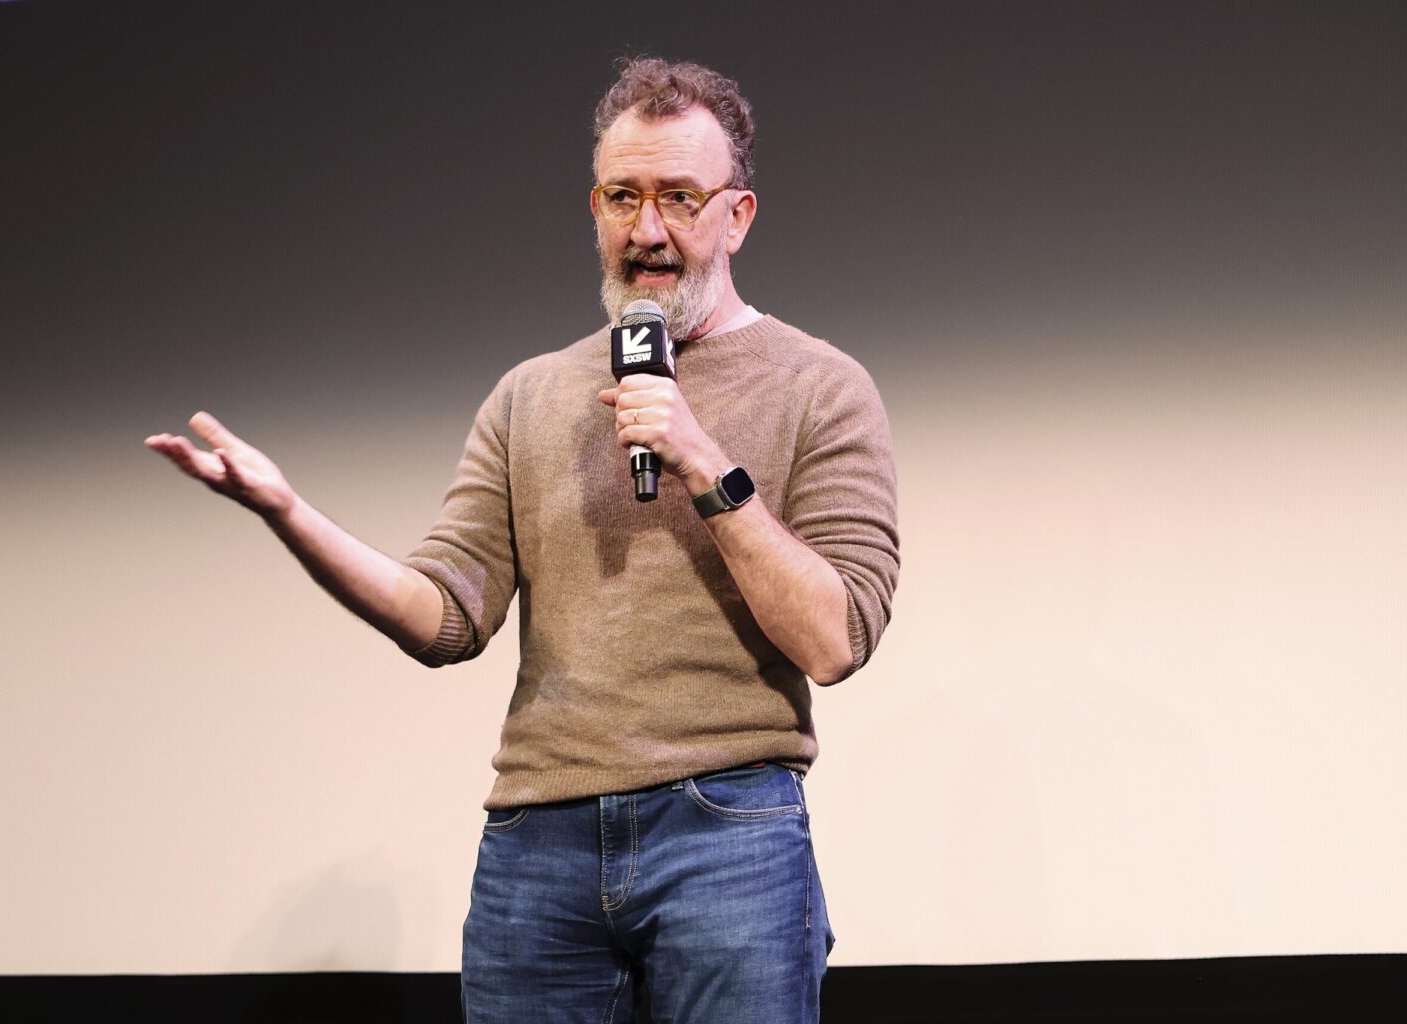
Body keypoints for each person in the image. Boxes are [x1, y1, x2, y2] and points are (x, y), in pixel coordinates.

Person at [146, 57, 898, 1024]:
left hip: (728, 831)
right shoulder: (530, 395)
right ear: (595, 208)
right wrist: (288, 513)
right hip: (537, 840)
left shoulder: (822, 386)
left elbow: (834, 640)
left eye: (679, 196)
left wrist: (706, 463)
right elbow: (445, 617)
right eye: (623, 197)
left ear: (738, 214)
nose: (649, 229)